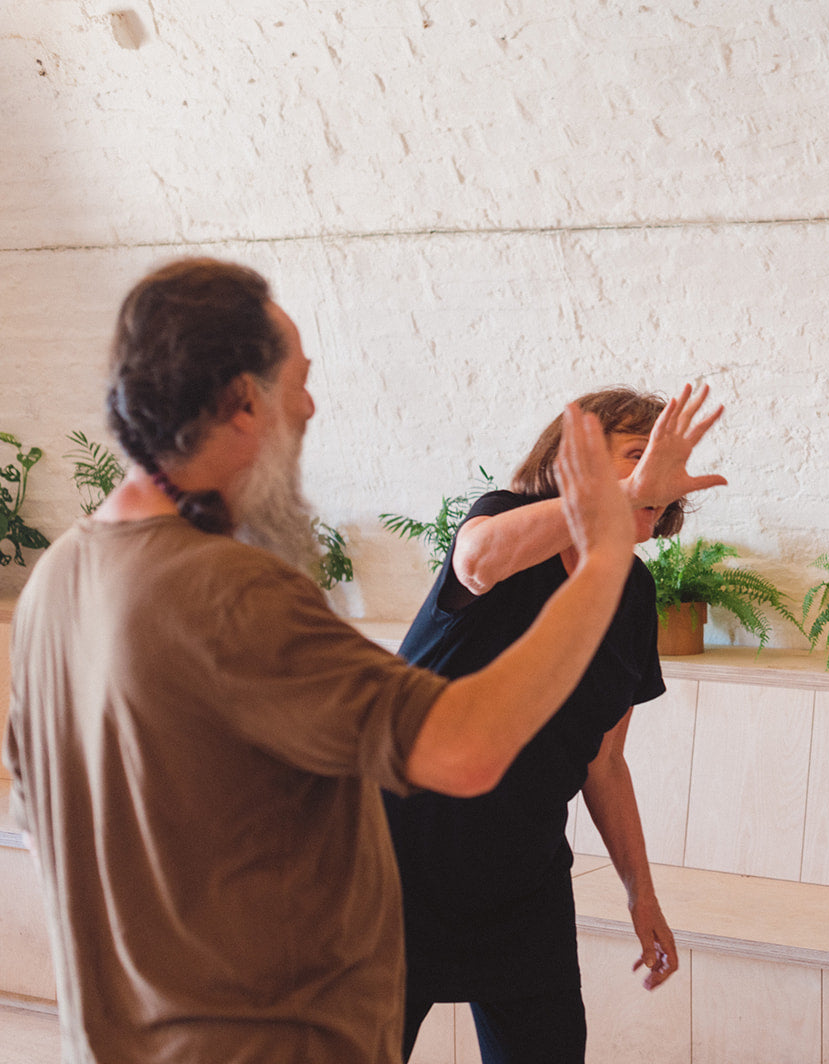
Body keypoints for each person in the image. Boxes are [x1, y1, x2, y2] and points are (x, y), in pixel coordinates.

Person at [0, 258, 697, 1063]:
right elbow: (463, 748)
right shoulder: (230, 592)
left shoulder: (61, 575)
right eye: (298, 383)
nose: (310, 408)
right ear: (241, 399)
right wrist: (605, 550)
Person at [383, 385, 725, 1063]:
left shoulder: (630, 591)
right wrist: (621, 495)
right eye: (637, 457)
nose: (657, 480)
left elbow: (604, 761)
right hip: (396, 862)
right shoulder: (505, 519)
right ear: (579, 460)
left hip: (521, 874)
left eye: (664, 465)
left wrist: (641, 895)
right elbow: (477, 564)